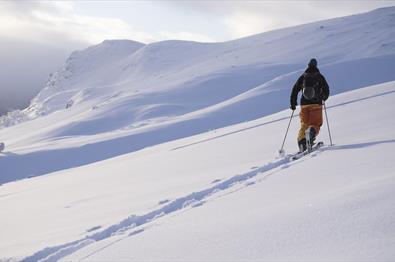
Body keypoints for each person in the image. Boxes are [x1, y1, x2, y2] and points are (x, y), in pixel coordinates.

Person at [290, 58, 330, 152]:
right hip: (316, 104)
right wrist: (323, 98)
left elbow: (295, 89)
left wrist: (293, 103)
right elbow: (326, 89)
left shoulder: (303, 76)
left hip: (304, 105)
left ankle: (302, 143)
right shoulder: (319, 76)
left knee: (304, 124)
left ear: (308, 65)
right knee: (315, 124)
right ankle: (311, 133)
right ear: (316, 65)